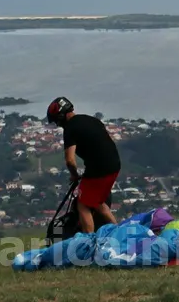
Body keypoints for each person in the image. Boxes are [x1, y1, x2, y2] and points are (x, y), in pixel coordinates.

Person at [44, 97, 121, 233]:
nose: (58, 124)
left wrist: (74, 175)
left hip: (99, 169)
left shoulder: (70, 129)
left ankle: (89, 241)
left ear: (61, 116)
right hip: (114, 165)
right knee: (97, 201)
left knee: (82, 205)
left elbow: (70, 160)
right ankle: (118, 230)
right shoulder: (90, 119)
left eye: (57, 120)